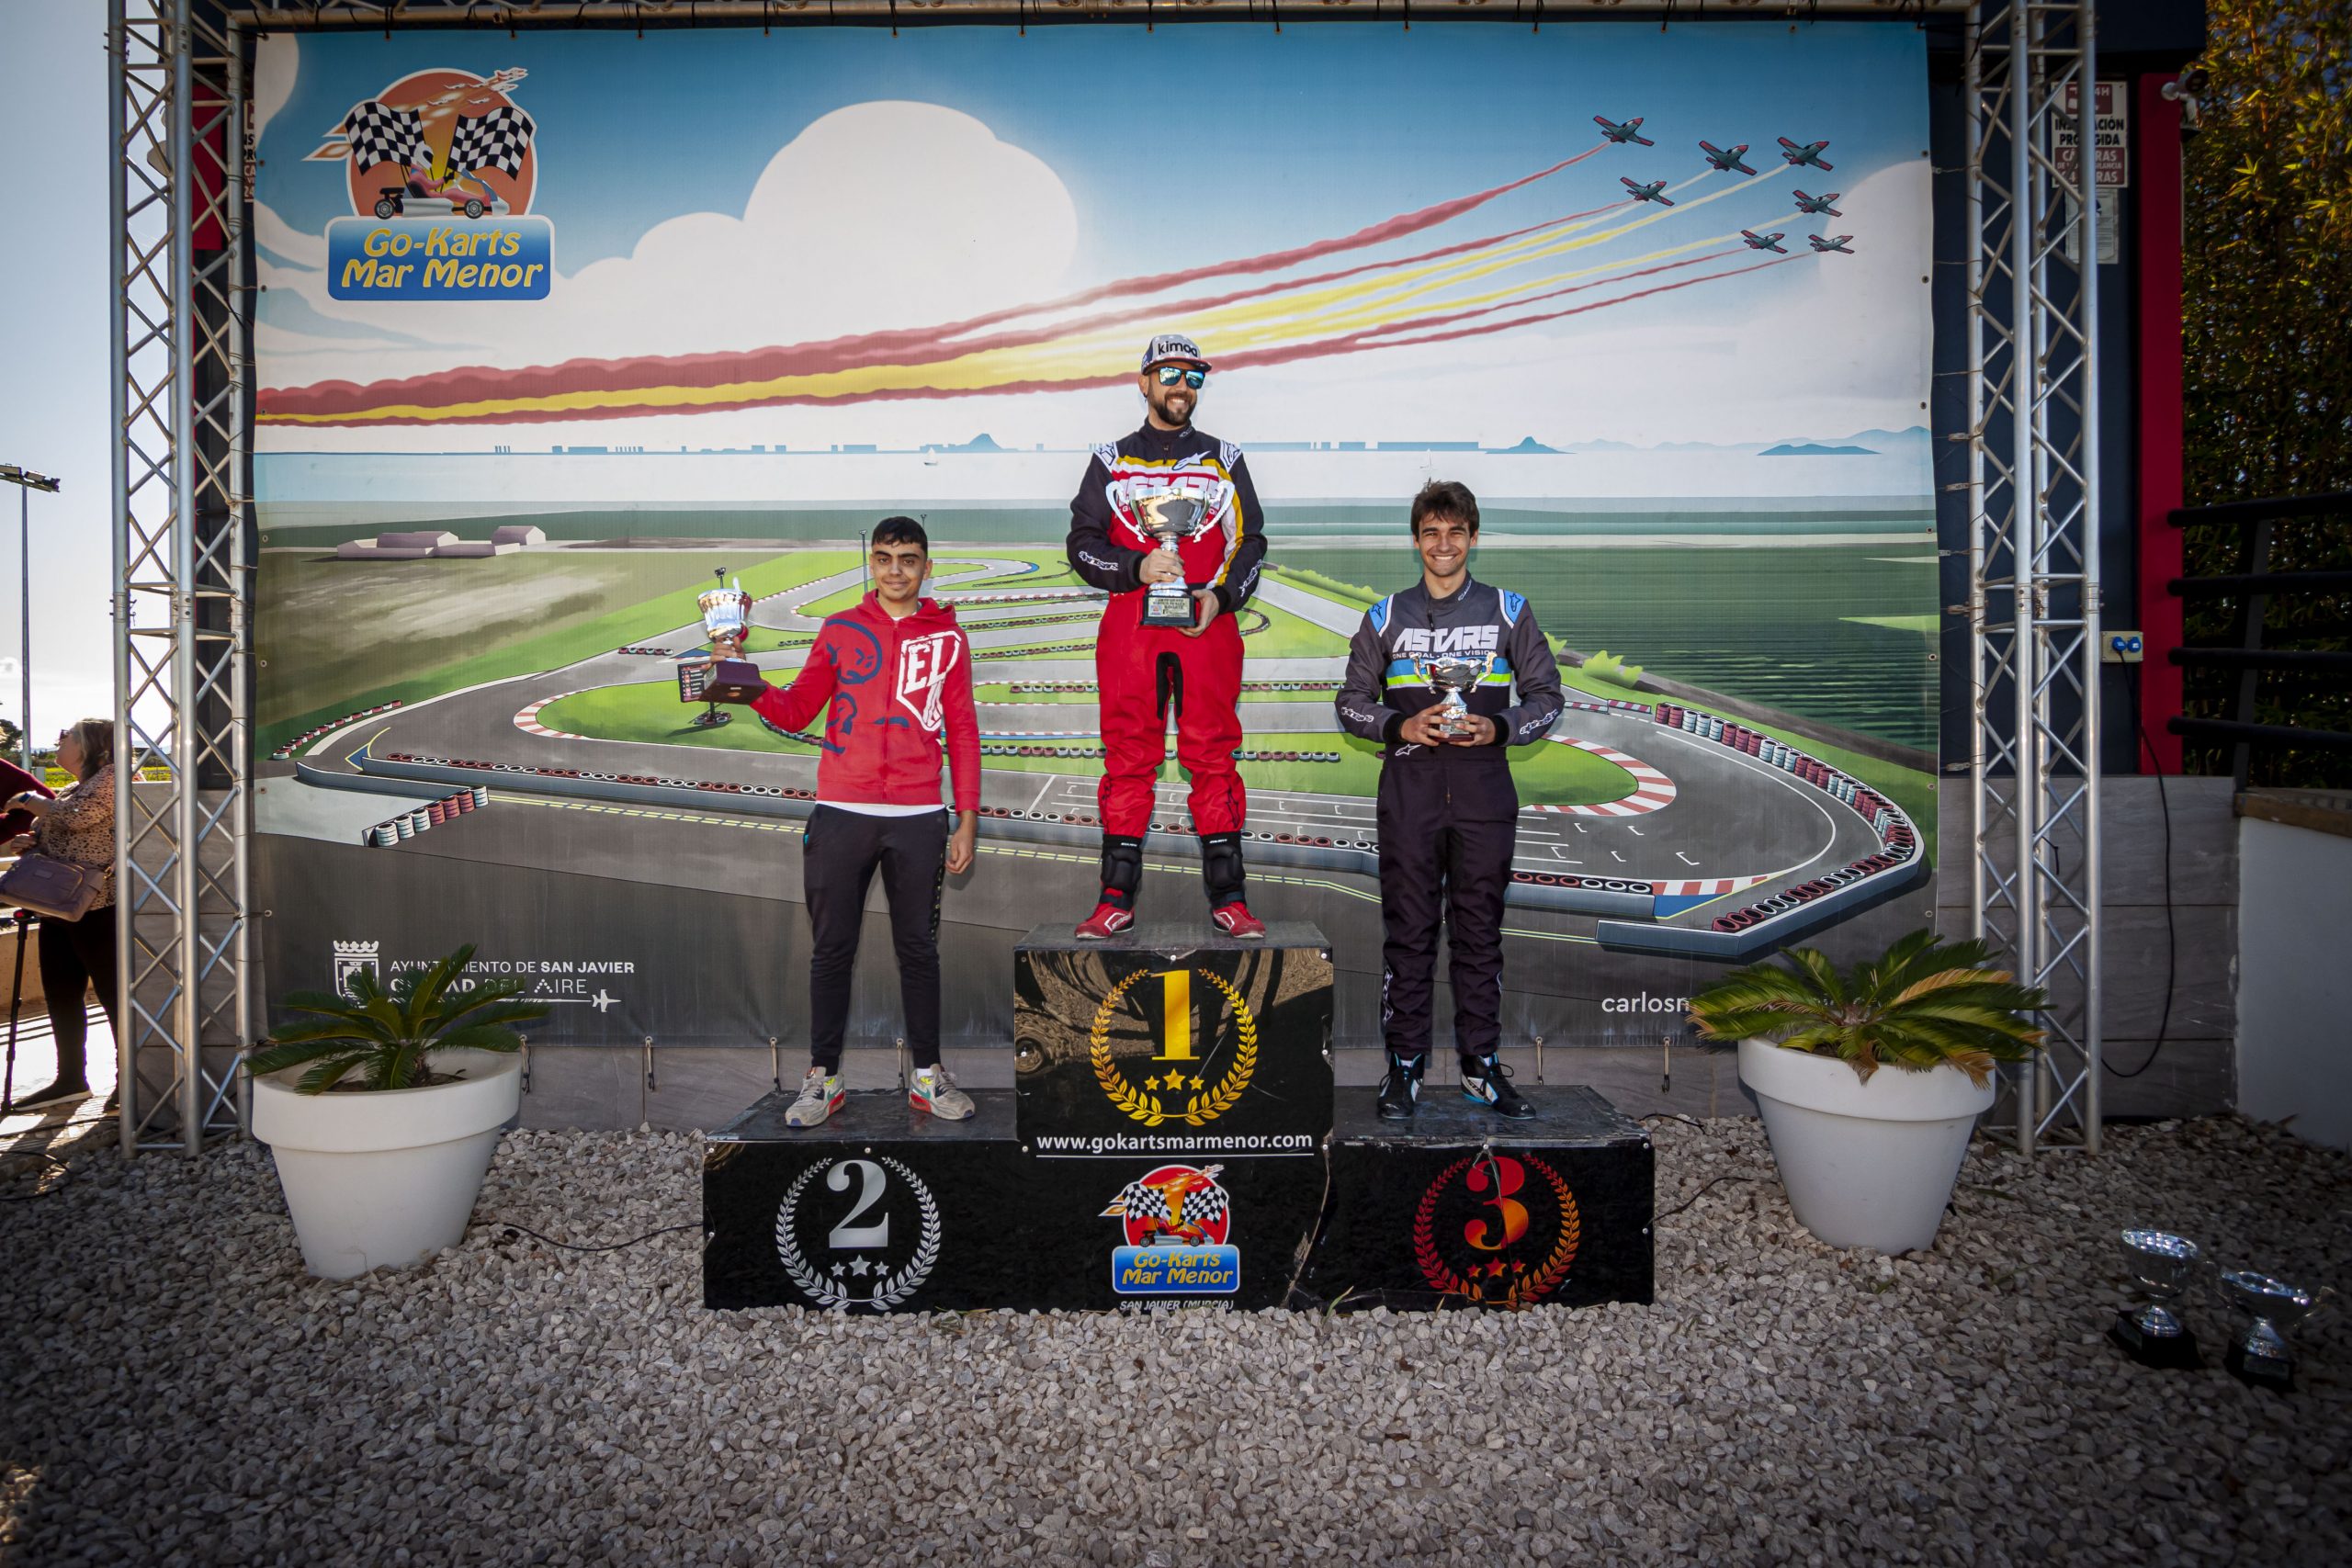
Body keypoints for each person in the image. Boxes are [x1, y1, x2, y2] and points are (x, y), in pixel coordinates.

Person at [1335, 481, 1563, 1120]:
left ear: (1473, 538)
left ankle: (1479, 1066)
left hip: (1485, 790)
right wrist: (1400, 725)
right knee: (1409, 934)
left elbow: (1548, 698)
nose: (1443, 544)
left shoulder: (1510, 611)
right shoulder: (1384, 615)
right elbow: (1349, 703)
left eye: (1455, 532)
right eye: (1431, 532)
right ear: (1416, 541)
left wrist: (1500, 727)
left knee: (1478, 935)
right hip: (1409, 791)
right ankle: (1404, 1066)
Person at [745, 519, 981, 1128]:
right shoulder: (839, 628)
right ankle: (823, 1078)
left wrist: (967, 820)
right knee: (831, 951)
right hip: (842, 812)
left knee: (919, 951)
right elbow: (797, 709)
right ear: (870, 563)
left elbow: (962, 730)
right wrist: (745, 682)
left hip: (919, 816)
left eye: (908, 558)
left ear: (927, 566)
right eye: (884, 558)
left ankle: (927, 1076)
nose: (895, 570)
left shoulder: (949, 637)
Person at [1065, 333, 1269, 941]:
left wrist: (1221, 597)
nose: (1182, 386)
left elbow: (1251, 540)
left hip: (1206, 626)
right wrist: (1137, 567)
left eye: (1193, 377)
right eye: (1170, 375)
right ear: (1145, 382)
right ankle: (1114, 900)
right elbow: (1081, 544)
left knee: (1213, 757)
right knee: (1128, 758)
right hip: (1132, 631)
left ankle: (1230, 900)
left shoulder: (1224, 457)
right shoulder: (1110, 459)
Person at [4, 720, 120, 1111]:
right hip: (58, 906)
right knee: (61, 993)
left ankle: (130, 1079)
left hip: (97, 908)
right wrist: (31, 841)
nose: (58, 741)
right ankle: (70, 1078)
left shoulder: (114, 777)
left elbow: (76, 817)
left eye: (66, 736)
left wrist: (27, 798)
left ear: (91, 745)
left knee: (112, 995)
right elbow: (63, 826)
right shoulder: (75, 786)